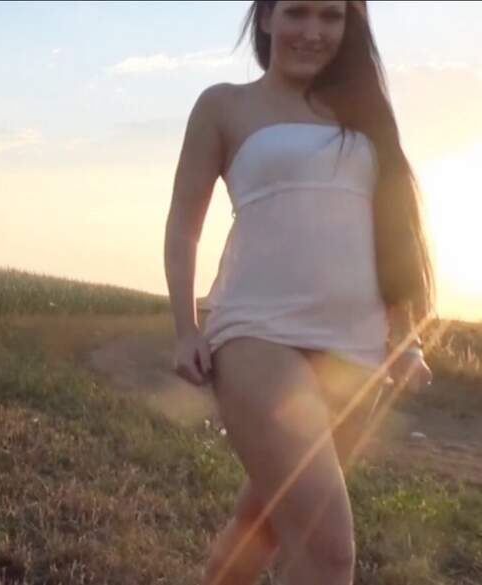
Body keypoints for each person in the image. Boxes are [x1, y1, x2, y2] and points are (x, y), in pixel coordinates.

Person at [164, 2, 434, 584]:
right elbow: (184, 223)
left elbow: (392, 232)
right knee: (328, 552)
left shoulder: (364, 112)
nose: (313, 32)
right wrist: (186, 328)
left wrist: (405, 337)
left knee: (258, 526)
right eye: (297, 13)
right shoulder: (224, 106)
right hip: (257, 334)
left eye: (331, 17)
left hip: (356, 350)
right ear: (266, 18)